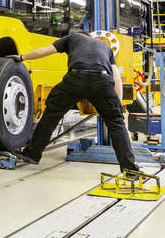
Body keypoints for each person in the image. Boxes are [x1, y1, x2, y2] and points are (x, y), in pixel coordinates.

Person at [13, 29, 140, 175]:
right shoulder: (105, 47)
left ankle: (32, 154)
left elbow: (44, 51)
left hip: (76, 77)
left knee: (51, 115)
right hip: (103, 80)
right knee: (117, 124)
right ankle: (130, 169)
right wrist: (116, 106)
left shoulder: (72, 38)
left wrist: (21, 57)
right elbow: (117, 77)